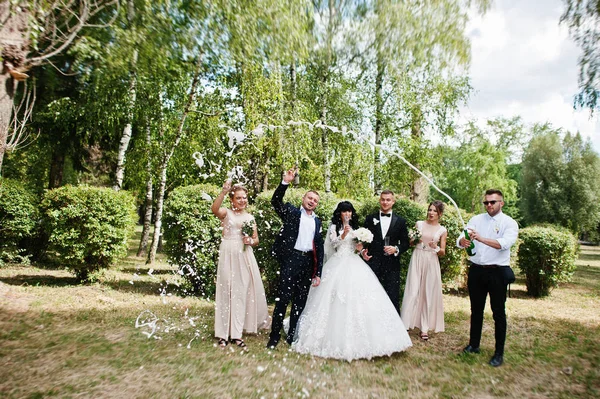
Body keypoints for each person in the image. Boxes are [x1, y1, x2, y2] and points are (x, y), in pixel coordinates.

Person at [292, 201, 412, 361]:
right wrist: (343, 234)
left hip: (354, 262)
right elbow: (332, 244)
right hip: (338, 262)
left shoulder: (356, 227)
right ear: (339, 213)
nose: (347, 214)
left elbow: (357, 245)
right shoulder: (334, 227)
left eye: (349, 212)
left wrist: (362, 251)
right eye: (344, 212)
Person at [457, 189, 519, 367]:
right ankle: (474, 345)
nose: (489, 205)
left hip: (498, 272)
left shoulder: (509, 223)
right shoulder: (476, 219)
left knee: (498, 313)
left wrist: (481, 238)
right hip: (477, 271)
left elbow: (504, 244)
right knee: (476, 310)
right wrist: (463, 241)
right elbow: (463, 235)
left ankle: (499, 353)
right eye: (486, 202)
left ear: (502, 203)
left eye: (493, 202)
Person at [266, 168, 325, 349]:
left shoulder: (317, 221)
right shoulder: (291, 212)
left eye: (315, 200)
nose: (312, 201)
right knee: (283, 299)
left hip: (307, 263)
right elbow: (275, 201)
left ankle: (292, 335)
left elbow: (320, 248)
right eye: (309, 198)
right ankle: (274, 336)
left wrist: (318, 272)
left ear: (316, 204)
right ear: (303, 199)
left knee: (300, 301)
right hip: (291, 260)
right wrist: (285, 182)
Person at [211, 179, 269, 350]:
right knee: (225, 289)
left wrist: (251, 240)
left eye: (244, 198)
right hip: (228, 251)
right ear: (232, 199)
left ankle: (237, 334)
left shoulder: (250, 217)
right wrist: (223, 191)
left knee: (240, 291)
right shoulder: (226, 213)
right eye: (239, 198)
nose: (242, 201)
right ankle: (222, 334)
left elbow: (256, 239)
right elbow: (214, 209)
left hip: (244, 255)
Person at [401, 200, 448, 341]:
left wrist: (436, 247)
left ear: (440, 214)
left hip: (431, 260)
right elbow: (410, 243)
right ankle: (405, 323)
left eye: (434, 211)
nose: (431, 213)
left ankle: (424, 328)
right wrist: (413, 240)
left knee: (428, 292)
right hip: (417, 257)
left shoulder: (442, 230)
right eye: (430, 209)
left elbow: (443, 252)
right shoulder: (419, 224)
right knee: (412, 289)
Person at [362, 190, 410, 314]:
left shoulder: (400, 221)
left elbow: (406, 243)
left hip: (392, 264)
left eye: (388, 200)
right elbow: (361, 239)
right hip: (373, 262)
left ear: (393, 202)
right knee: (370, 294)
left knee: (392, 295)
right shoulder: (370, 218)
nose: (385, 202)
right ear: (379, 200)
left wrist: (396, 249)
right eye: (383, 199)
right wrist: (363, 251)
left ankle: (394, 329)